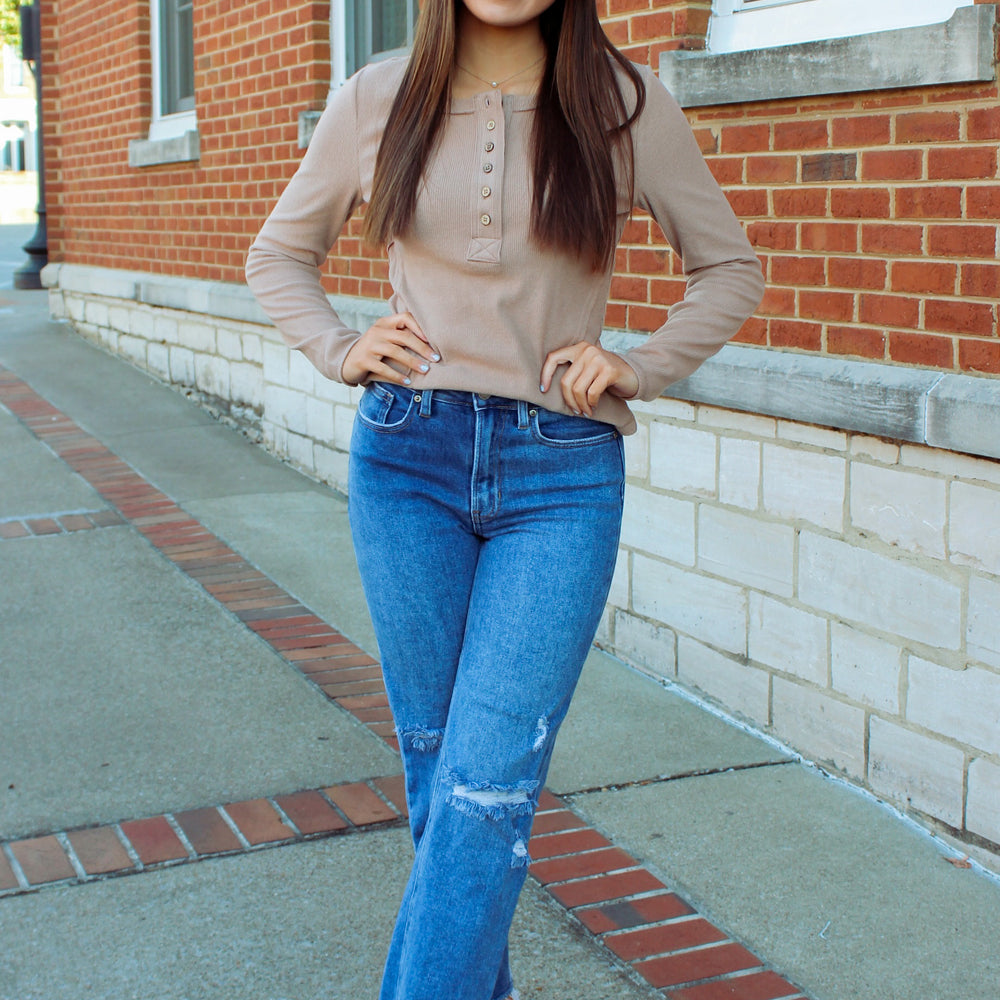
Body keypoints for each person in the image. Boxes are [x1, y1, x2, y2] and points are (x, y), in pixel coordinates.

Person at [245, 0, 764, 996]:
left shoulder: (622, 104)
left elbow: (729, 267)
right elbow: (277, 254)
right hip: (407, 462)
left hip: (559, 474)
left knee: (488, 789)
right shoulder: (378, 98)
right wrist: (339, 346)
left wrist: (640, 365)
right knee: (443, 778)